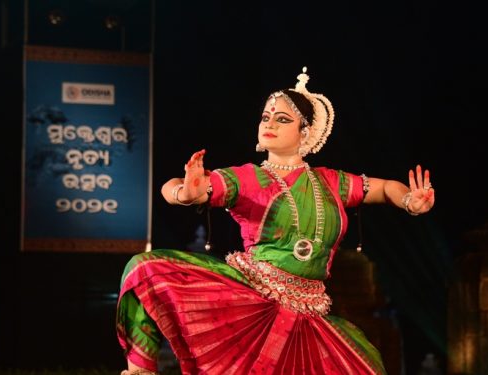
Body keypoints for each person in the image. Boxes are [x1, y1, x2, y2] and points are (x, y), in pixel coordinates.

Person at [116, 67, 436, 375]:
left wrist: (409, 200)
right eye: (266, 117)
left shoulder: (330, 182)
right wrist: (186, 193)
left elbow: (383, 188)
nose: (269, 123)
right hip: (251, 303)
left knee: (365, 365)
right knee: (144, 270)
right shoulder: (250, 178)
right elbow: (170, 188)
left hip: (309, 316)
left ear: (304, 132)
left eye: (282, 119)